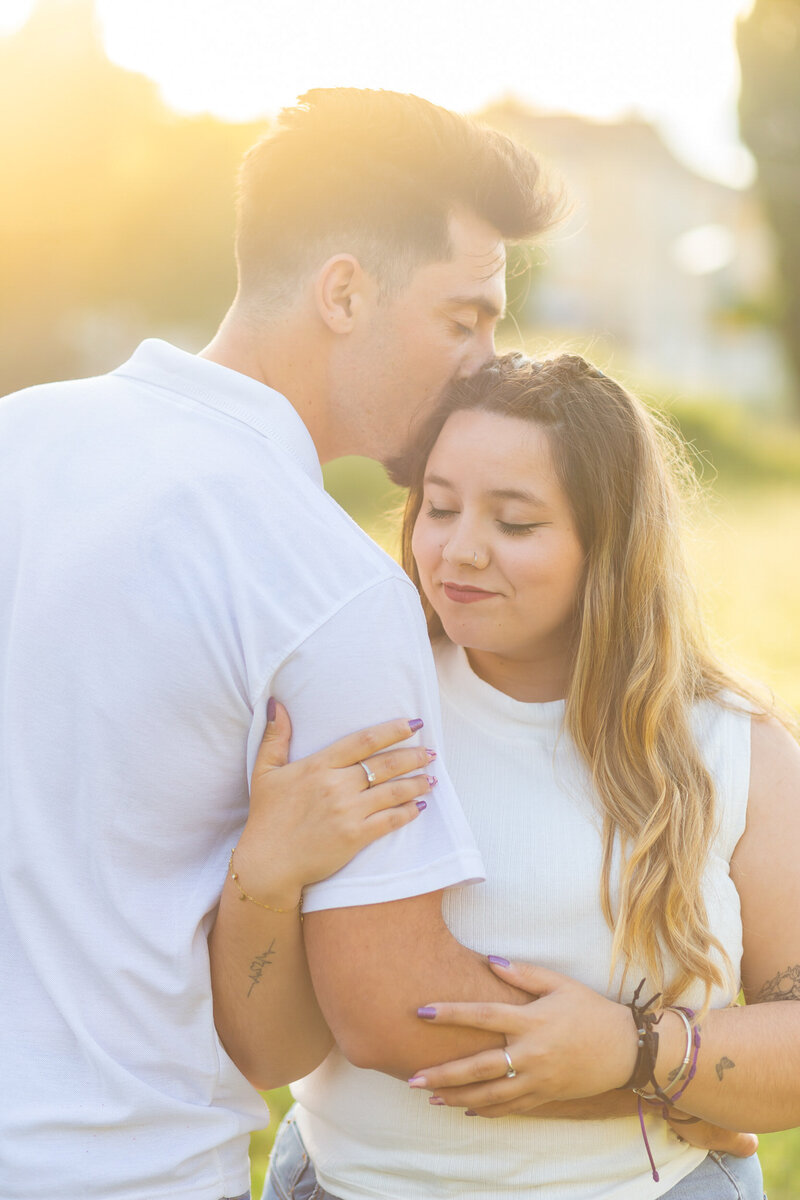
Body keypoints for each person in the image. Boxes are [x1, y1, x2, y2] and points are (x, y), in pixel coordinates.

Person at [0, 90, 561, 1200]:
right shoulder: (329, 586)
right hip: (124, 1171)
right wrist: (671, 1059)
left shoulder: (19, 435)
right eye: (464, 319)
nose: (485, 363)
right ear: (343, 292)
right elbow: (402, 1013)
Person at [241, 353, 800, 1198]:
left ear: (607, 544)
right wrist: (263, 874)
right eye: (439, 507)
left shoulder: (732, 745)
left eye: (516, 523)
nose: (458, 550)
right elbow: (267, 1050)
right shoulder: (356, 708)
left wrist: (634, 1048)